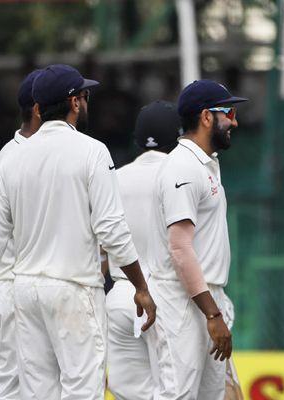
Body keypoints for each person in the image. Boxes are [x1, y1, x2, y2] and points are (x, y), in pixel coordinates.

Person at [0, 64, 156, 399]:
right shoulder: (91, 151)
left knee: (38, 393)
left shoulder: (13, 157)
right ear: (74, 102)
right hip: (73, 288)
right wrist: (140, 285)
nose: (86, 103)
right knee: (82, 390)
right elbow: (111, 228)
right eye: (85, 96)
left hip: (26, 290)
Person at [147, 79, 247, 399]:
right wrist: (212, 314)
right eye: (228, 112)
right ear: (206, 117)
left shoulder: (205, 163)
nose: (235, 121)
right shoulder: (183, 166)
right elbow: (180, 248)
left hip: (204, 298)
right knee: (179, 394)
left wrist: (214, 307)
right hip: (182, 302)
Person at [106, 100, 181, 400]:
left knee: (129, 394)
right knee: (175, 392)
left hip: (122, 297)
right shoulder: (181, 173)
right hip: (167, 297)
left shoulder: (116, 177)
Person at [0, 69, 42, 400]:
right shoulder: (14, 157)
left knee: (22, 388)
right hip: (18, 287)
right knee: (23, 389)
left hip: (22, 287)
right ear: (39, 108)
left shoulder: (20, 153)